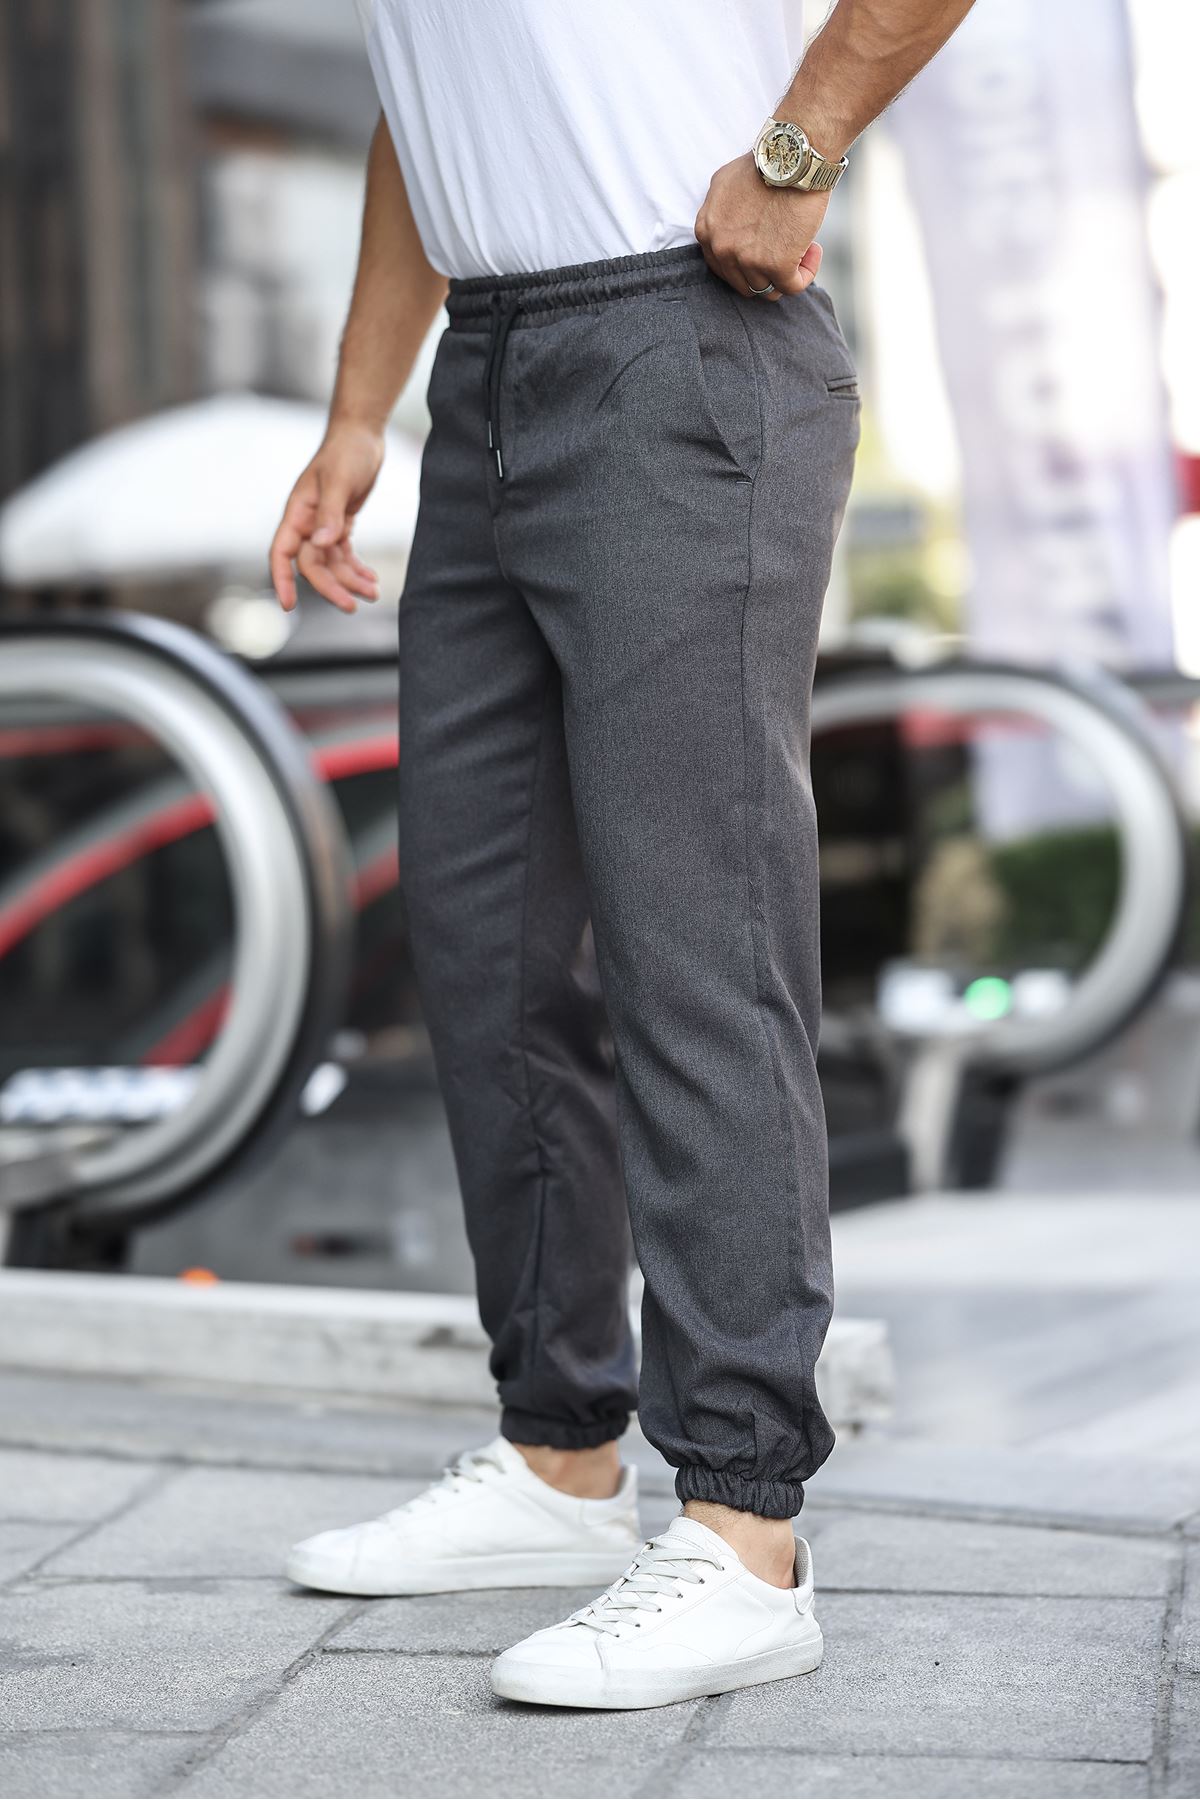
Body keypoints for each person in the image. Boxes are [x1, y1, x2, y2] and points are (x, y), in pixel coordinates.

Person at [272, 0, 974, 1712]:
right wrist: (362, 410)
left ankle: (745, 1527)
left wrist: (799, 150)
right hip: (486, 372)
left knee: (695, 938)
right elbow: (427, 107)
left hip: (683, 329)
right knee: (488, 946)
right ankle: (559, 1456)